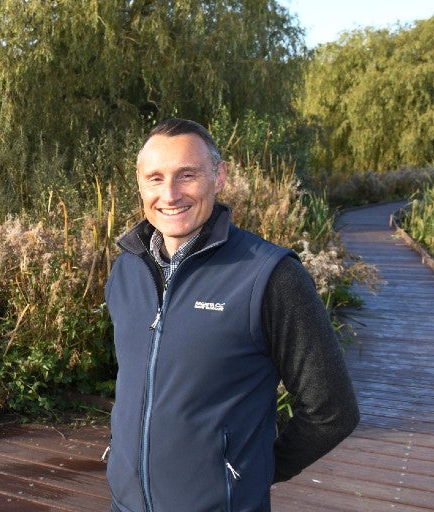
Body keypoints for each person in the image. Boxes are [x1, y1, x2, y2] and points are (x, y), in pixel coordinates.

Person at [104, 118, 360, 511]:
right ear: (139, 184)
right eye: (155, 178)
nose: (169, 194)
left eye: (186, 175)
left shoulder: (271, 276)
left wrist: (250, 473)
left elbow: (332, 411)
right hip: (125, 504)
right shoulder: (126, 271)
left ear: (218, 176)